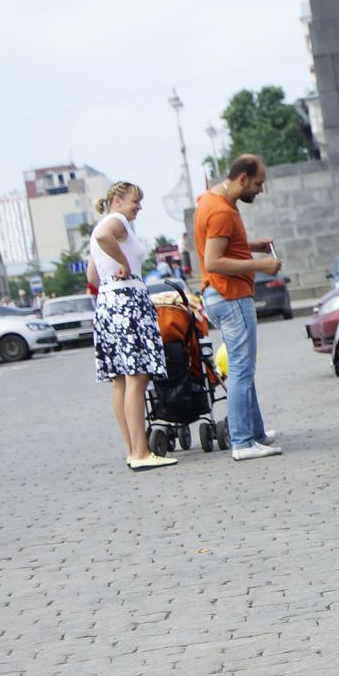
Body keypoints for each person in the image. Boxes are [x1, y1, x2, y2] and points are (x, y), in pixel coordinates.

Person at [194, 154, 283, 461]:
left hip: (220, 295)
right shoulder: (221, 211)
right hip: (230, 295)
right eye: (258, 184)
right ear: (242, 179)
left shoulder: (210, 200)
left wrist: (253, 245)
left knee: (243, 366)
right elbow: (214, 261)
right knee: (242, 369)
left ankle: (254, 432)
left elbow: (221, 246)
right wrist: (262, 264)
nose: (260, 190)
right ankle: (243, 440)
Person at [88, 181, 173, 471]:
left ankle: (132, 449)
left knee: (120, 382)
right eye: (136, 200)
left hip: (108, 302)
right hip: (128, 301)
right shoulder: (116, 220)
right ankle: (141, 452)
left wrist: (112, 275)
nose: (139, 207)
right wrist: (124, 262)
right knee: (137, 377)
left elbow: (92, 276)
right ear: (118, 199)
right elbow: (103, 237)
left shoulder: (103, 224)